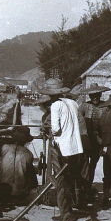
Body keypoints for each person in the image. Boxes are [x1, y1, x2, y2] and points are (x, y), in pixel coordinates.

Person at [39, 78, 85, 207]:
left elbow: (56, 129)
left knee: (61, 177)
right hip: (75, 146)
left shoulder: (55, 105)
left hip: (61, 147)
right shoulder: (72, 103)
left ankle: (65, 207)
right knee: (72, 176)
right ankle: (73, 203)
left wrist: (49, 131)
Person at [0, 126, 38, 204]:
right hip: (20, 191)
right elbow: (30, 173)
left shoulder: (5, 148)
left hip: (3, 188)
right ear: (25, 141)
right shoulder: (28, 154)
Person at [78, 83, 111, 189]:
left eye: (97, 95)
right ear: (89, 96)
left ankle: (89, 184)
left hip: (100, 140)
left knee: (93, 163)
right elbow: (78, 120)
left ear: (100, 94)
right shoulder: (84, 106)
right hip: (87, 139)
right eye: (92, 95)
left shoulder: (105, 106)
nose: (95, 98)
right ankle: (84, 185)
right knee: (84, 163)